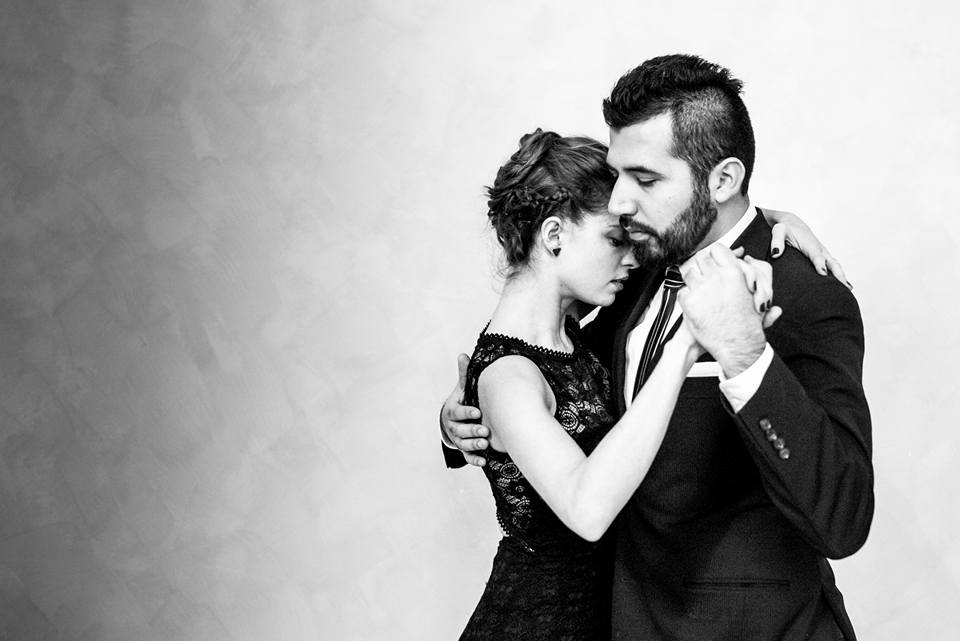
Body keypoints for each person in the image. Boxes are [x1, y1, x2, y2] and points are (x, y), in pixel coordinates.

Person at [443, 54, 872, 641]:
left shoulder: (804, 293)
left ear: (722, 180)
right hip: (621, 619)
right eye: (618, 175)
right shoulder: (635, 268)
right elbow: (559, 372)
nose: (621, 202)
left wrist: (746, 356)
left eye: (644, 180)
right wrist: (466, 416)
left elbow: (844, 518)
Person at [455, 129, 777, 641]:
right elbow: (586, 511)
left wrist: (777, 223)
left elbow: (689, 219)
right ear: (554, 235)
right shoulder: (507, 376)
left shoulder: (575, 333)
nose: (632, 258)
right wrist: (684, 346)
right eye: (614, 239)